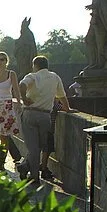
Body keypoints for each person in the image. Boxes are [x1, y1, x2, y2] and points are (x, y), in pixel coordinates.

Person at [20, 54, 69, 184]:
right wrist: (68, 109)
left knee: (33, 147)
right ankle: (26, 166)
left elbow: (22, 85)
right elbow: (62, 96)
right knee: (41, 146)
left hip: (30, 113)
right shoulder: (55, 77)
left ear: (35, 66)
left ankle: (33, 175)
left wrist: (24, 99)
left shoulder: (33, 76)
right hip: (45, 115)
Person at [0, 51, 25, 169]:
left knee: (5, 135)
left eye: (2, 59)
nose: (0, 62)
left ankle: (2, 161)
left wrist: (18, 102)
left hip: (7, 104)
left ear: (6, 62)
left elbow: (16, 90)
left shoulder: (11, 74)